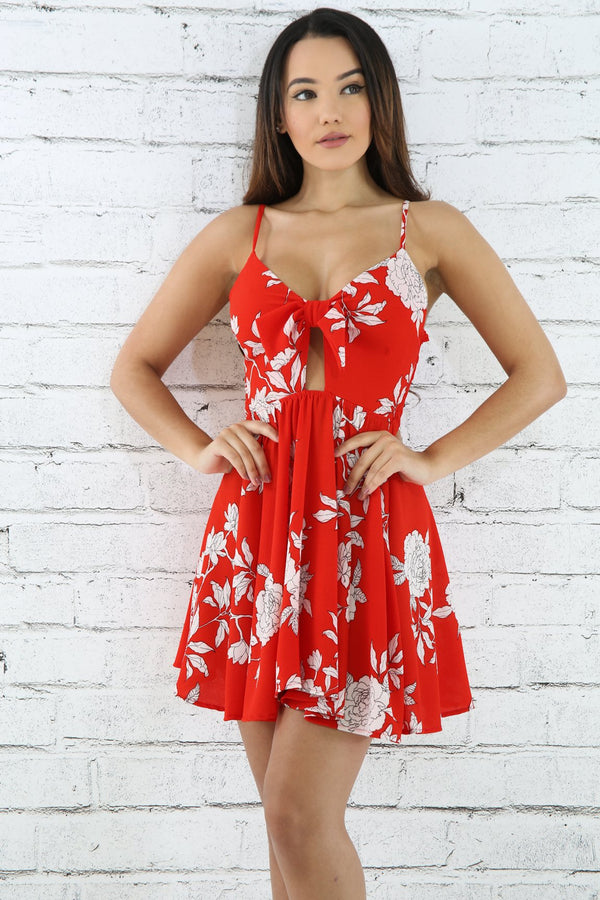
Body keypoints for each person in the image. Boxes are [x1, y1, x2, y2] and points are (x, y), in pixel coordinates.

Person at [110, 7, 567, 899]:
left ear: (379, 100)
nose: (330, 110)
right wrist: (202, 449)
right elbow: (134, 368)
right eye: (305, 93)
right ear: (278, 116)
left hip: (367, 536)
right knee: (284, 827)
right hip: (258, 535)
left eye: (350, 88)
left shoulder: (427, 229)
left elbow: (539, 375)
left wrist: (428, 459)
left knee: (297, 816)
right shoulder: (241, 233)